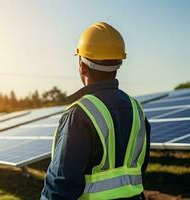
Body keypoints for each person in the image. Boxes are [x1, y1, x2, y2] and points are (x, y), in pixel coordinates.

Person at [41, 22, 150, 200]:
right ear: (118, 64)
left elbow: (60, 184)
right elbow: (139, 166)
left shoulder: (79, 114)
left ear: (82, 66)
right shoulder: (137, 109)